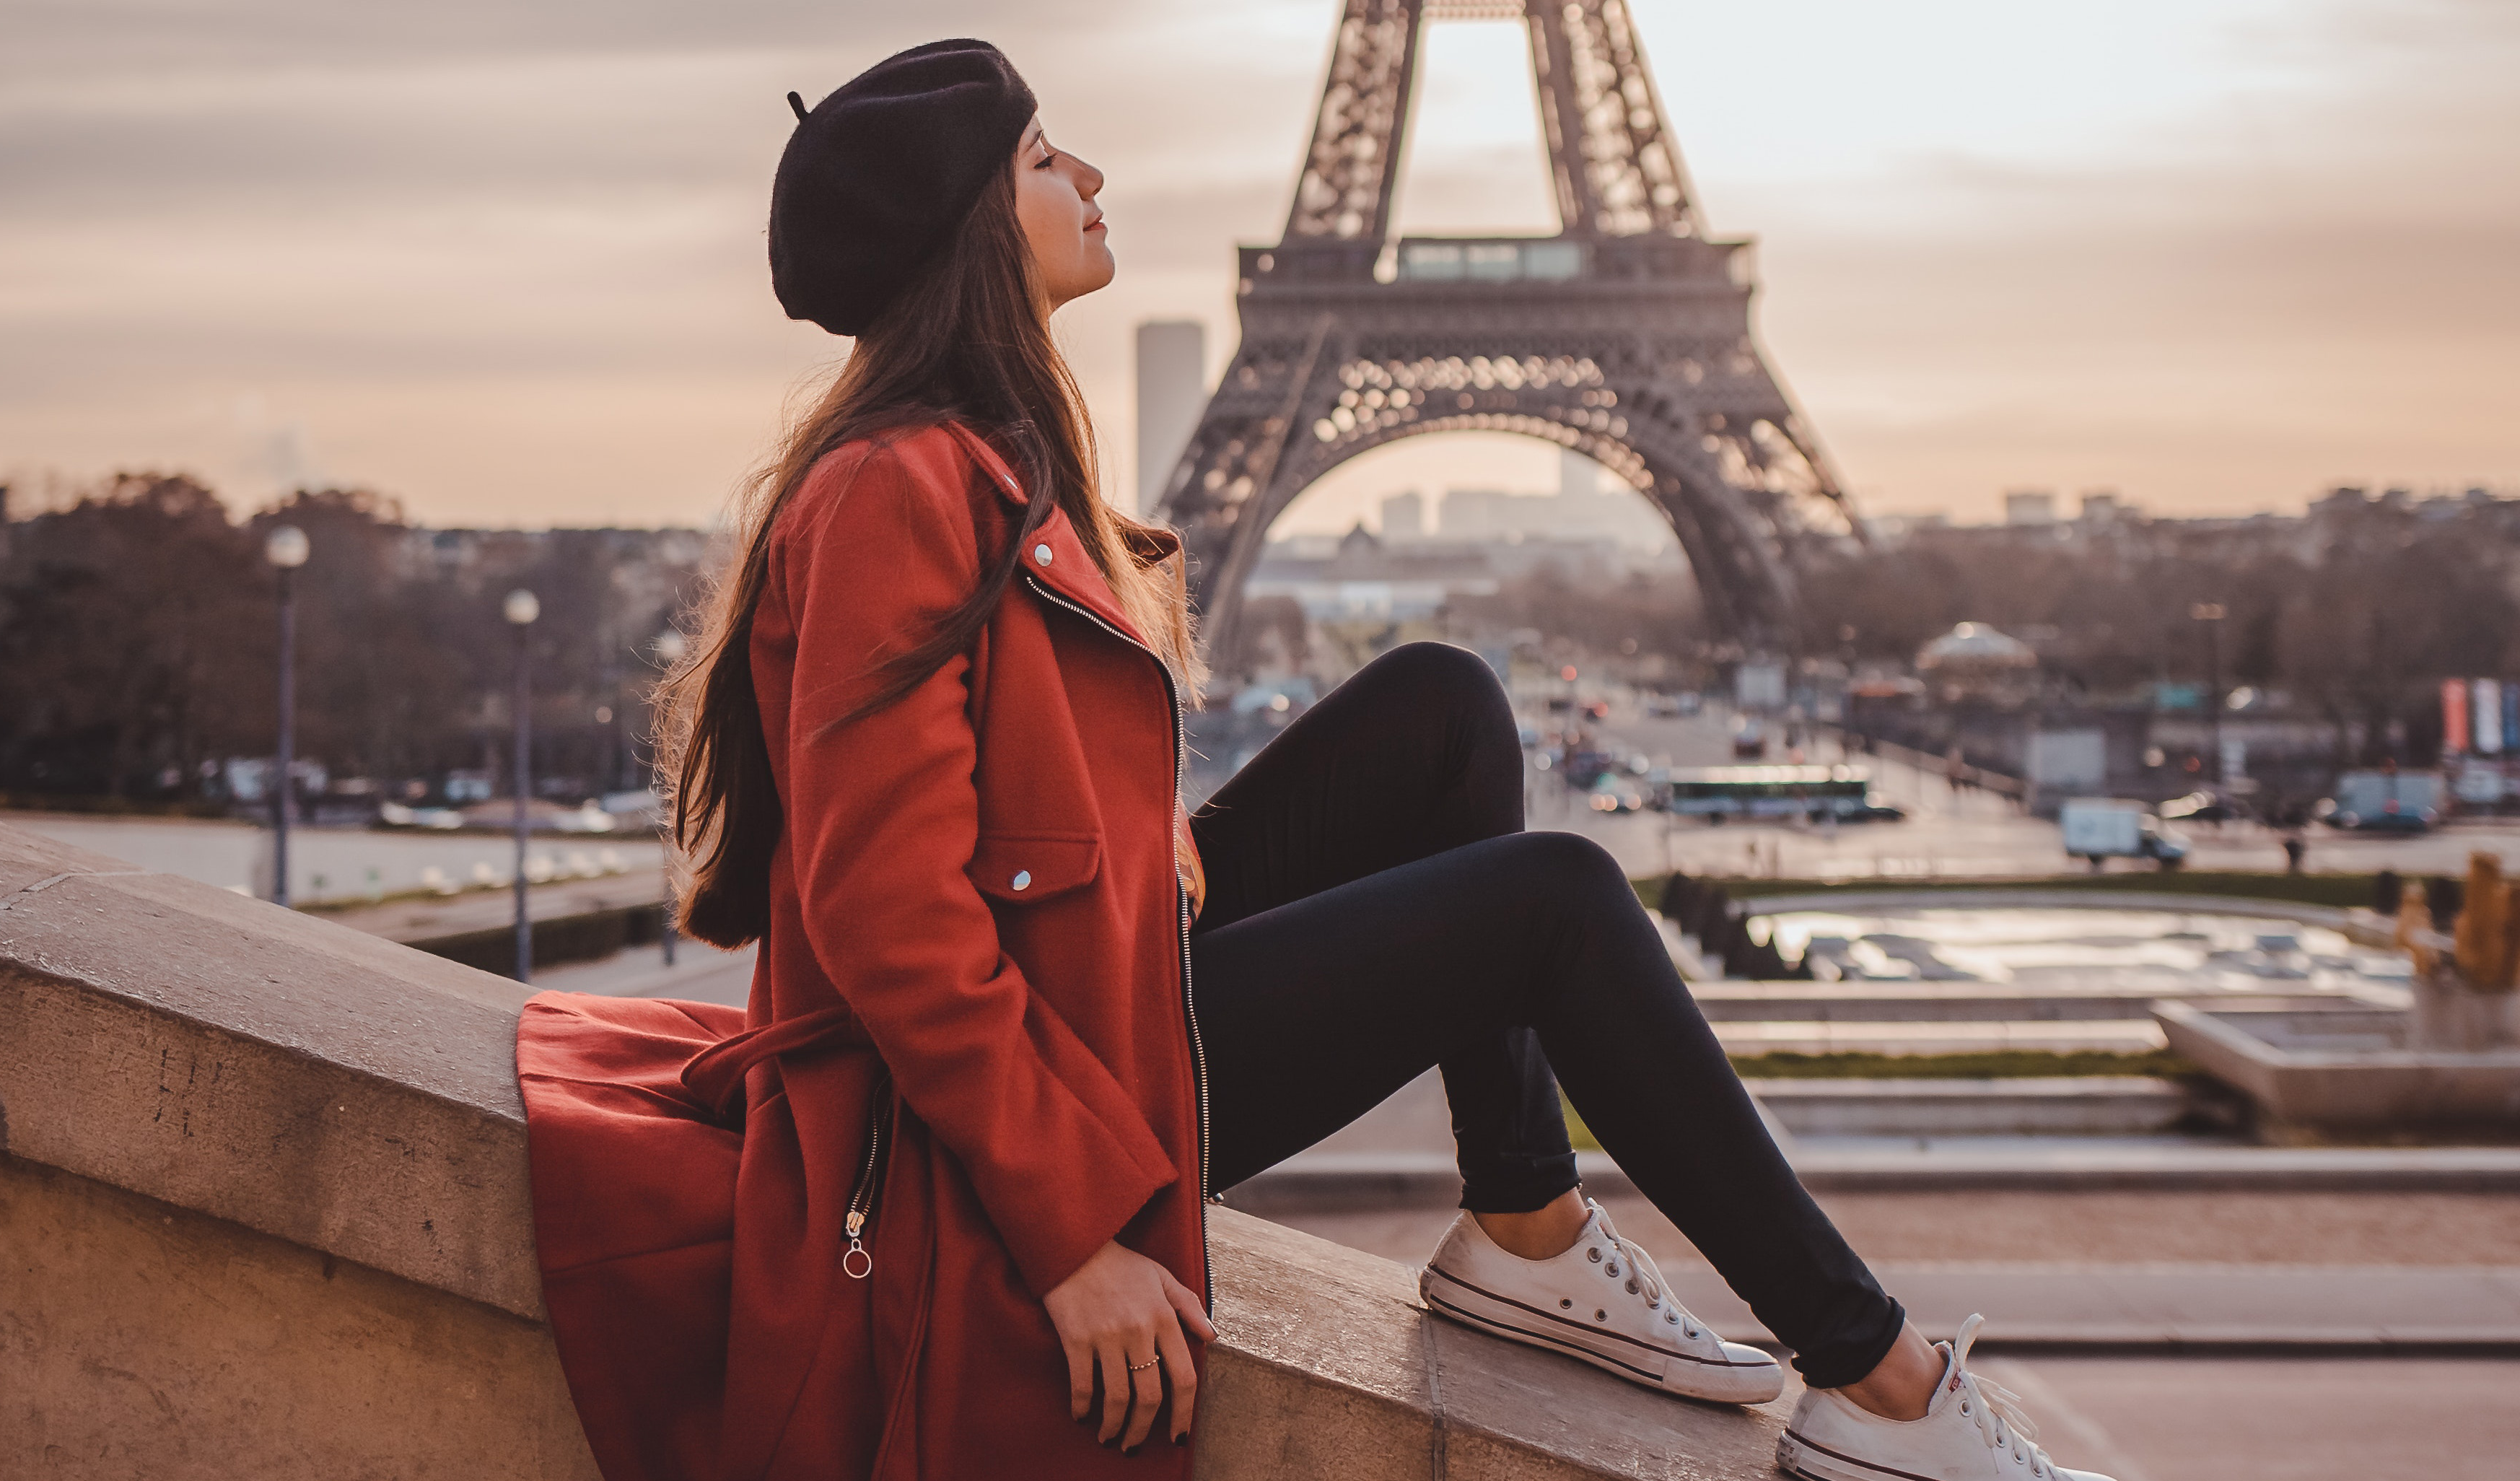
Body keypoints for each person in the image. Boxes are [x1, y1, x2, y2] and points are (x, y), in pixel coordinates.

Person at [514, 38, 2112, 1481]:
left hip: (1087, 1004)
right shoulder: (900, 489)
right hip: (1000, 1119)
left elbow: (1013, 830)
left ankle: (1525, 1226)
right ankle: (1881, 1387)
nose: (1086, 175)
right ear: (967, 234)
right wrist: (1074, 1236)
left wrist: (1171, 854)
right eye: (1040, 158)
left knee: (1443, 703)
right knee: (1550, 900)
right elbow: (887, 917)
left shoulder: (975, 459)